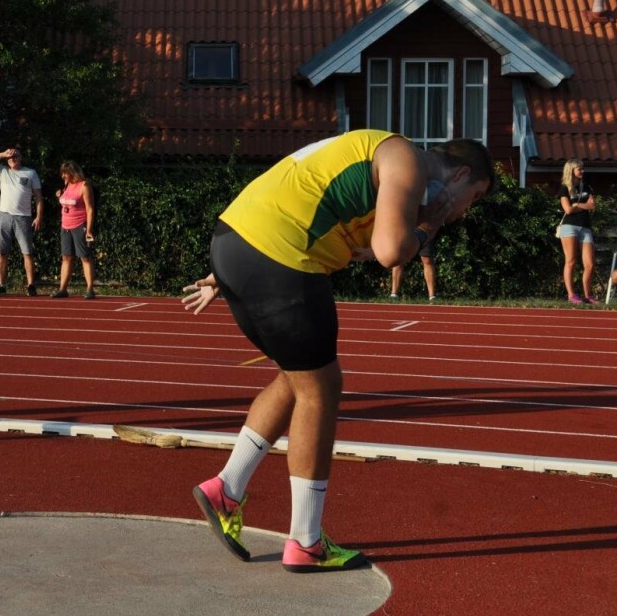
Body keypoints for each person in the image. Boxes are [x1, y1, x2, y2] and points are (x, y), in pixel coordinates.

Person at [182, 130, 493, 572]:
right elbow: (391, 253)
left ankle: (225, 489)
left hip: (236, 241)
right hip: (276, 257)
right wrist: (431, 224)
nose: (465, 211)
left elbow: (299, 193)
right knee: (322, 390)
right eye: (472, 197)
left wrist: (230, 270)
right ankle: (306, 542)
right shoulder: (408, 161)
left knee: (298, 377)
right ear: (460, 173)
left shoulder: (374, 156)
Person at [0, 147, 44, 296]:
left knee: (27, 252)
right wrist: (3, 154)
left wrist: (39, 216)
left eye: (15, 156)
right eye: (10, 157)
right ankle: (1, 284)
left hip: (23, 217)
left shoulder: (30, 173)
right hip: (4, 216)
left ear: (21, 158)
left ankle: (30, 285)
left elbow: (39, 197)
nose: (12, 159)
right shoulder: (2, 171)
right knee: (2, 252)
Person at [52, 160, 97, 299]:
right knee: (66, 257)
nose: (63, 176)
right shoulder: (66, 186)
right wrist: (59, 196)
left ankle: (90, 289)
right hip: (65, 226)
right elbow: (68, 204)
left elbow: (90, 209)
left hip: (79, 225)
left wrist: (88, 230)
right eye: (62, 173)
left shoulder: (84, 186)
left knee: (85, 257)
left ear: (72, 172)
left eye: (65, 173)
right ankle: (63, 289)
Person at [557, 158, 597, 304]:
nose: (582, 171)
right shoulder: (564, 188)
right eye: (579, 169)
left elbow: (592, 205)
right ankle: (571, 295)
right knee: (571, 261)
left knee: (590, 264)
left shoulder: (586, 186)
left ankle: (588, 295)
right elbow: (568, 209)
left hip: (585, 226)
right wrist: (583, 205)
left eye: (582, 168)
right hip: (569, 227)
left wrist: (577, 205)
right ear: (571, 170)